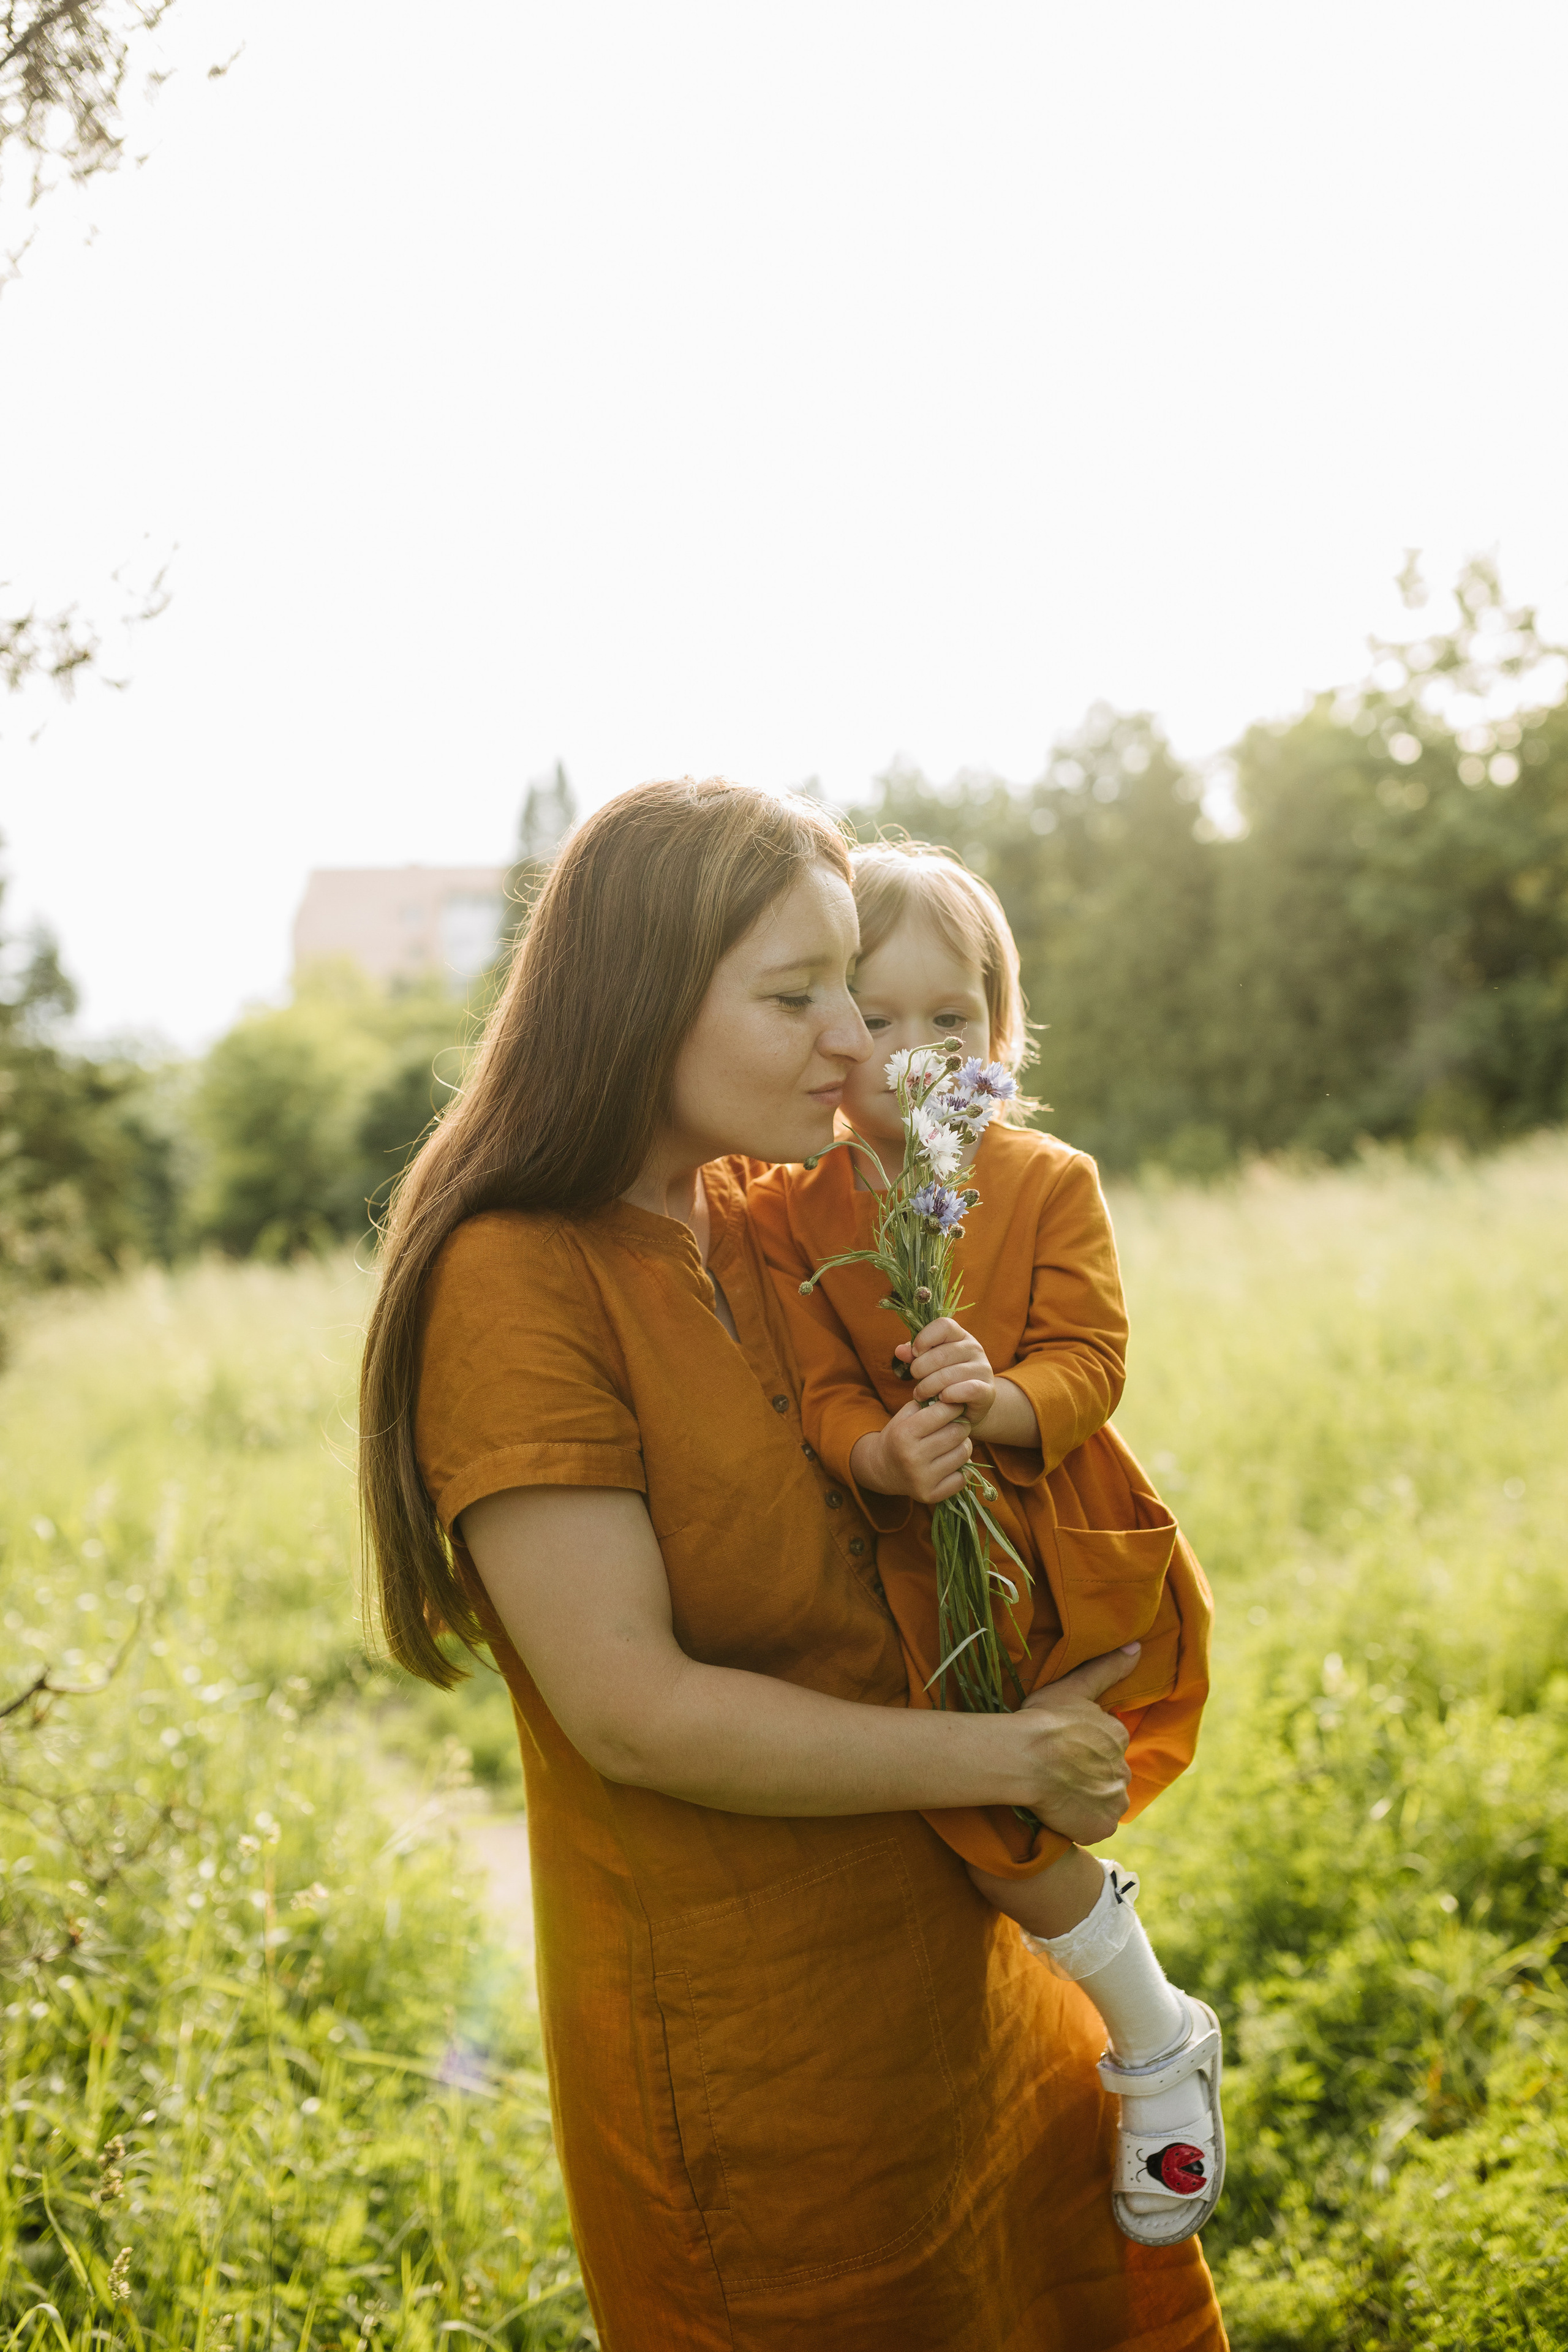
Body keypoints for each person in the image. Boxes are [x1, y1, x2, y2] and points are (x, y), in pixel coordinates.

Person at [359, 777, 1227, 2351]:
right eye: (797, 996)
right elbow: (633, 1711)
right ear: (635, 1009)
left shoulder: (759, 1218)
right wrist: (1004, 1749)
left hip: (964, 1998)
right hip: (761, 2057)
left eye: (859, 990)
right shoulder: (518, 1283)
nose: (856, 1044)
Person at [748, 839, 1223, 2245]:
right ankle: (1153, 2031)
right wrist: (878, 1451)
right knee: (988, 1816)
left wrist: (1005, 1401)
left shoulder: (1044, 1177)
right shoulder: (790, 1211)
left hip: (1058, 1544)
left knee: (1014, 1813)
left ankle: (1149, 2040)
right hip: (921, 1565)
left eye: (947, 1022)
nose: (911, 1057)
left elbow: (1093, 1351)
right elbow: (817, 1384)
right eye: (875, 1021)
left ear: (997, 1027)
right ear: (832, 1034)